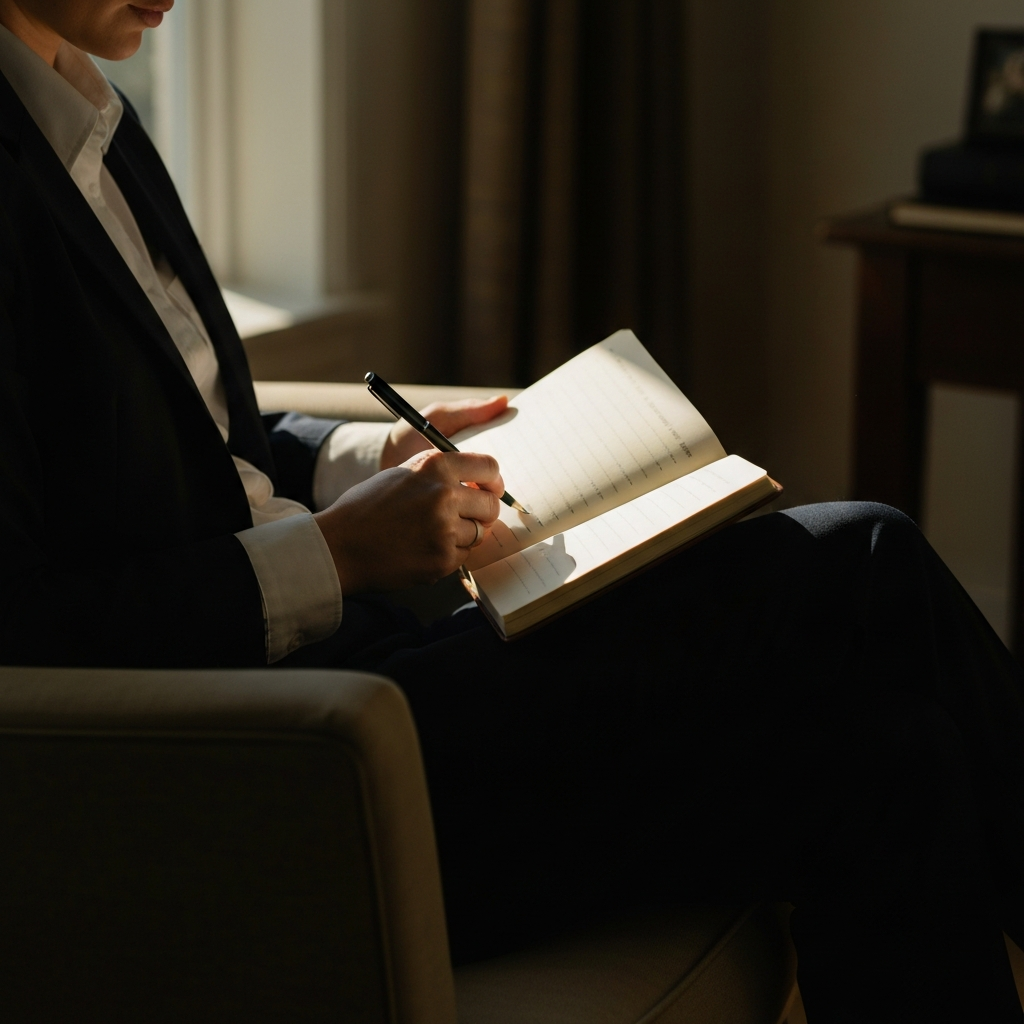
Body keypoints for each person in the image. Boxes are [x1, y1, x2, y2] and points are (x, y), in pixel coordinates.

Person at [1, 1, 1023, 1020]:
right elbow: (29, 627)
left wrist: (370, 452)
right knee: (860, 558)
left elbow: (187, 432)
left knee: (894, 761)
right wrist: (336, 557)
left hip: (372, 680)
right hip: (281, 762)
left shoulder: (89, 116)